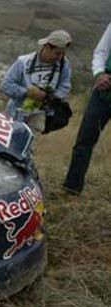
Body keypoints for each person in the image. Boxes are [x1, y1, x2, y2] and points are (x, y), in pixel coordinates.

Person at [63, 22, 111, 195]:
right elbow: (101, 52)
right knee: (85, 140)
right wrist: (99, 73)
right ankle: (72, 187)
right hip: (105, 90)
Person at [1, 30, 72, 133]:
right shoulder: (23, 62)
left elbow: (65, 86)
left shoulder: (63, 64)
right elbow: (5, 85)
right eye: (57, 53)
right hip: (15, 116)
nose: (59, 57)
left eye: (62, 53)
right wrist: (26, 92)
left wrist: (50, 96)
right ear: (47, 47)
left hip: (38, 120)